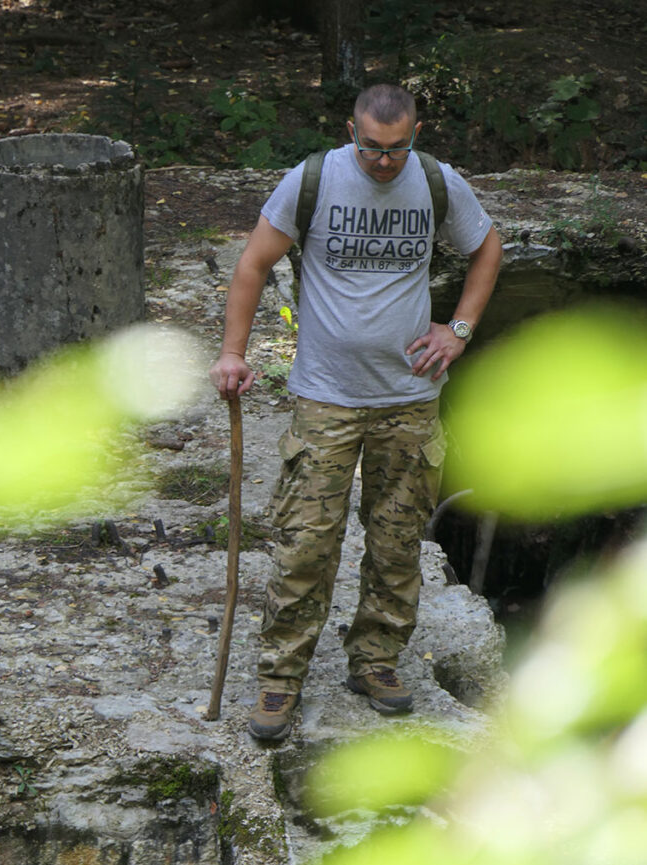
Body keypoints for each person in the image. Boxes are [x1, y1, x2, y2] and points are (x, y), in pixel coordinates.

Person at [210, 83, 502, 741]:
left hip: (408, 399)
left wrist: (457, 328)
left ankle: (375, 661)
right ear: (351, 132)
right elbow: (253, 265)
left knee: (396, 542)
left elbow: (487, 248)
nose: (382, 162)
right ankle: (281, 679)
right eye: (370, 147)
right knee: (305, 544)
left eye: (395, 149)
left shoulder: (435, 183)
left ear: (415, 135)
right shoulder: (311, 180)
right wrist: (232, 354)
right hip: (325, 398)